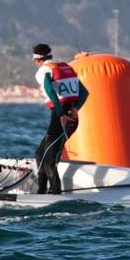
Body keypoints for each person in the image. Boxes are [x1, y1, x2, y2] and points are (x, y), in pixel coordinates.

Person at [32, 43, 87, 194]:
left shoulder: (43, 70)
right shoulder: (67, 68)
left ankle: (55, 195)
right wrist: (75, 109)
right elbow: (84, 92)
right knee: (40, 154)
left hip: (61, 117)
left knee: (49, 161)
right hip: (70, 116)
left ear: (37, 60)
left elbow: (49, 90)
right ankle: (41, 191)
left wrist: (61, 112)